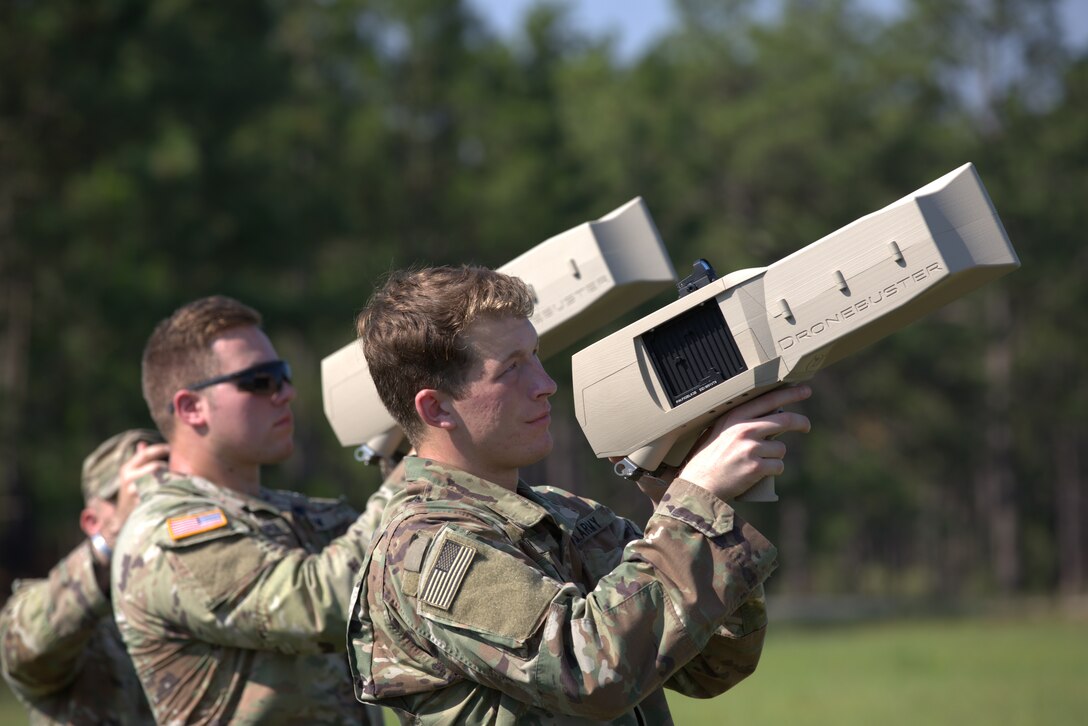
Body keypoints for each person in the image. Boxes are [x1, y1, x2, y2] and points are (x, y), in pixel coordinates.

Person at [346, 265, 813, 724]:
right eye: (511, 370)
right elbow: (590, 671)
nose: (545, 385)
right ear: (437, 407)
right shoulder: (427, 548)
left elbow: (715, 667)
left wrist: (683, 499)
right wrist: (693, 504)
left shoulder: (566, 515)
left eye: (535, 356)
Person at [111, 295, 381, 724]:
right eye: (262, 381)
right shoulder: (167, 533)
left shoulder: (287, 512)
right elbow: (318, 603)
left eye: (285, 375)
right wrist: (416, 476)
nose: (287, 393)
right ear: (191, 408)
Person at [1, 428, 168, 724]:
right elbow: (24, 652)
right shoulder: (75, 615)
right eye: (130, 497)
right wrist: (117, 536)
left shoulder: (195, 598)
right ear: (92, 522)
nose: (151, 508)